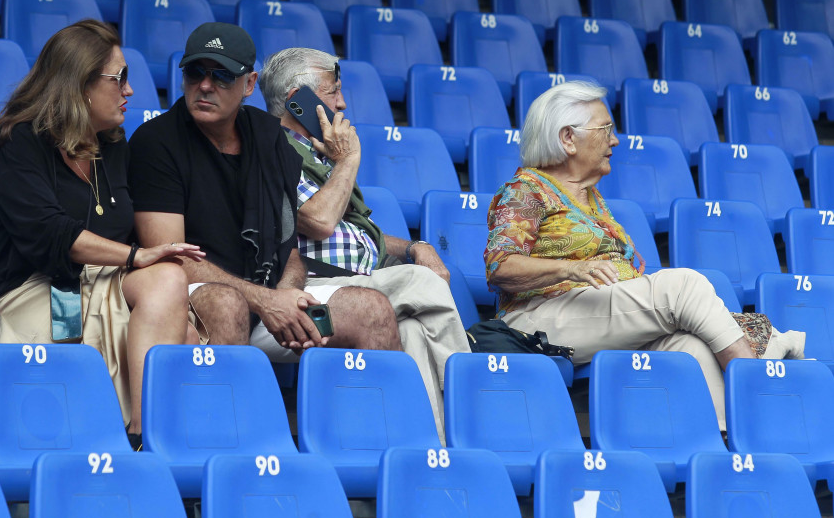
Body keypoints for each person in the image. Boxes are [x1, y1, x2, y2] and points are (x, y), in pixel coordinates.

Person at [484, 80, 804, 427]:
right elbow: (500, 266)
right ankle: (761, 391)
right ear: (567, 138)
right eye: (605, 129)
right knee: (684, 286)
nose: (615, 140)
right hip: (537, 321)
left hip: (593, 315)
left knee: (690, 348)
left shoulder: (591, 197)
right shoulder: (526, 188)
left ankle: (728, 447)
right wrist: (570, 269)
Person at [128, 23, 400, 368]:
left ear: (249, 84)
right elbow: (169, 259)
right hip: (195, 297)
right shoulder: (156, 142)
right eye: (195, 73)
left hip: (269, 300)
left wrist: (287, 295)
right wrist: (265, 300)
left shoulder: (268, 135)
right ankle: (226, 422)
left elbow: (289, 248)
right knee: (229, 305)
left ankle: (386, 422)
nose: (205, 86)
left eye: (222, 75)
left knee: (372, 310)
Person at [0, 20, 204, 438]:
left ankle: (143, 436)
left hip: (101, 285)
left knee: (171, 285)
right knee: (181, 334)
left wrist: (146, 258)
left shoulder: (113, 146)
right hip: (32, 288)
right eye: (119, 79)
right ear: (79, 83)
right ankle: (139, 439)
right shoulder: (19, 142)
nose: (130, 91)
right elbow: (50, 232)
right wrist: (136, 256)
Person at [259, 47, 471, 440]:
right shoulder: (274, 148)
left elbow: (356, 230)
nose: (341, 103)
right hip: (318, 284)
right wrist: (349, 159)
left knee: (412, 330)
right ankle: (470, 400)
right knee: (425, 283)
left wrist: (412, 247)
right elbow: (319, 221)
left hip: (360, 276)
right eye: (332, 92)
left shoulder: (316, 152)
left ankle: (434, 443)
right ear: (297, 101)